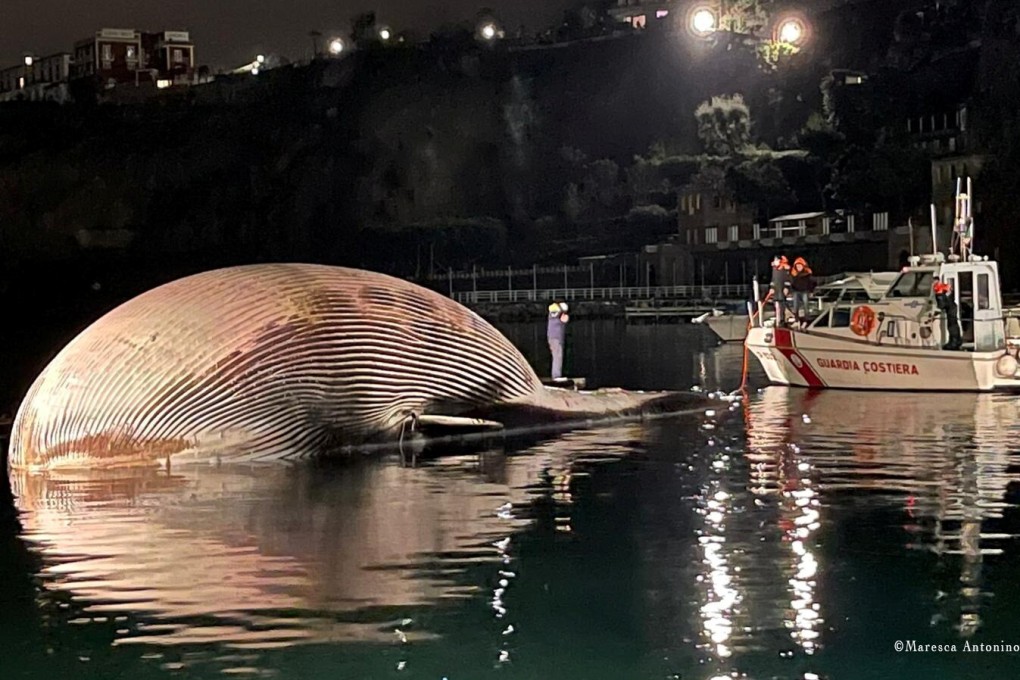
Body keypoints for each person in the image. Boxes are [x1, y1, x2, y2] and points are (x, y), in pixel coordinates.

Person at [934, 280, 962, 350]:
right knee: (954, 324)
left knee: (951, 325)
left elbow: (941, 305)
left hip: (950, 309)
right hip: (953, 306)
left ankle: (953, 342)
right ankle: (957, 340)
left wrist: (936, 312)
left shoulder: (939, 292)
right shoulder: (946, 289)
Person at [790, 257, 816, 325]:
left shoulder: (808, 274)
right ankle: (796, 320)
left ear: (803, 266)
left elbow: (812, 283)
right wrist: (791, 291)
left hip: (805, 291)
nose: (798, 267)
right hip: (796, 291)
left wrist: (811, 291)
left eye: (800, 266)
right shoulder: (793, 274)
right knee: (795, 306)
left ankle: (806, 320)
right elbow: (791, 283)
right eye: (797, 266)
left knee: (806, 306)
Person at [547, 301, 570, 379]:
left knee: (556, 356)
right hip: (556, 338)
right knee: (558, 357)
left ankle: (556, 375)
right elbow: (565, 319)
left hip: (552, 338)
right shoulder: (559, 316)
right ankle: (556, 376)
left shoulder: (552, 314)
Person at [768, 255, 792, 326]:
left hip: (782, 289)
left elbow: (788, 279)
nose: (775, 262)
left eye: (777, 260)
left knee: (782, 305)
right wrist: (771, 288)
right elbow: (773, 279)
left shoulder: (785, 268)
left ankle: (782, 320)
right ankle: (778, 319)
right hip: (776, 289)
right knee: (776, 305)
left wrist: (786, 287)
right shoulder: (774, 269)